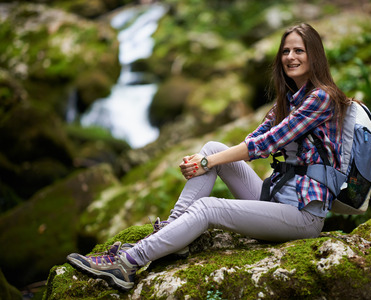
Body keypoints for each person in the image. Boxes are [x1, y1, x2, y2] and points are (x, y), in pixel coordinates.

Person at [67, 23, 351, 291]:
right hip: (275, 201)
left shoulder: (321, 98)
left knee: (208, 208)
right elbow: (254, 138)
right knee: (214, 147)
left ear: (315, 56)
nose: (290, 57)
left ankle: (128, 264)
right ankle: (172, 232)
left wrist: (207, 163)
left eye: (299, 50)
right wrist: (205, 158)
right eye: (286, 51)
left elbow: (267, 144)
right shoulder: (288, 99)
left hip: (303, 216)